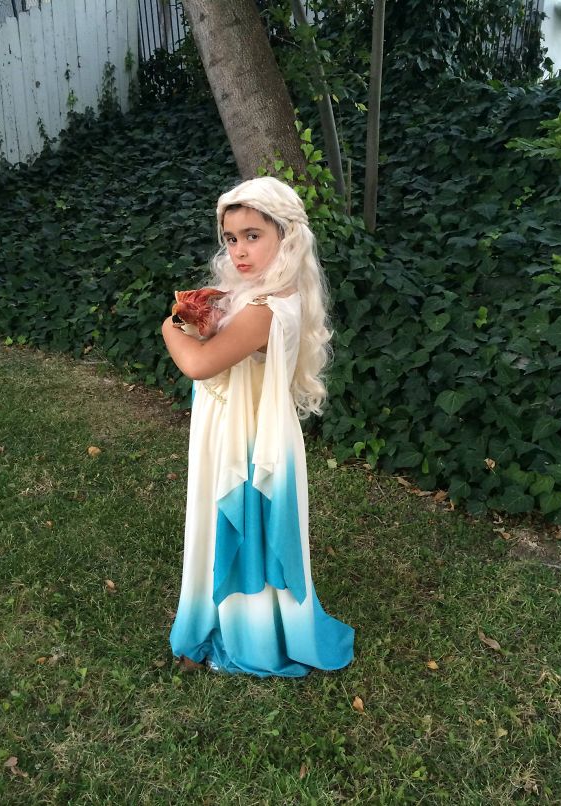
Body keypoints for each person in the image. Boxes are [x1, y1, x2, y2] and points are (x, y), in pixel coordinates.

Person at [161, 176, 354, 677]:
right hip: (236, 426)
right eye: (230, 238)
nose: (240, 250)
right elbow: (230, 348)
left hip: (246, 438)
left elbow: (200, 366)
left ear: (286, 237)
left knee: (243, 528)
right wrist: (205, 320)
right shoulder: (263, 294)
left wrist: (169, 327)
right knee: (241, 530)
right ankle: (232, 621)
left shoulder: (265, 309)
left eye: (253, 235)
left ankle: (249, 635)